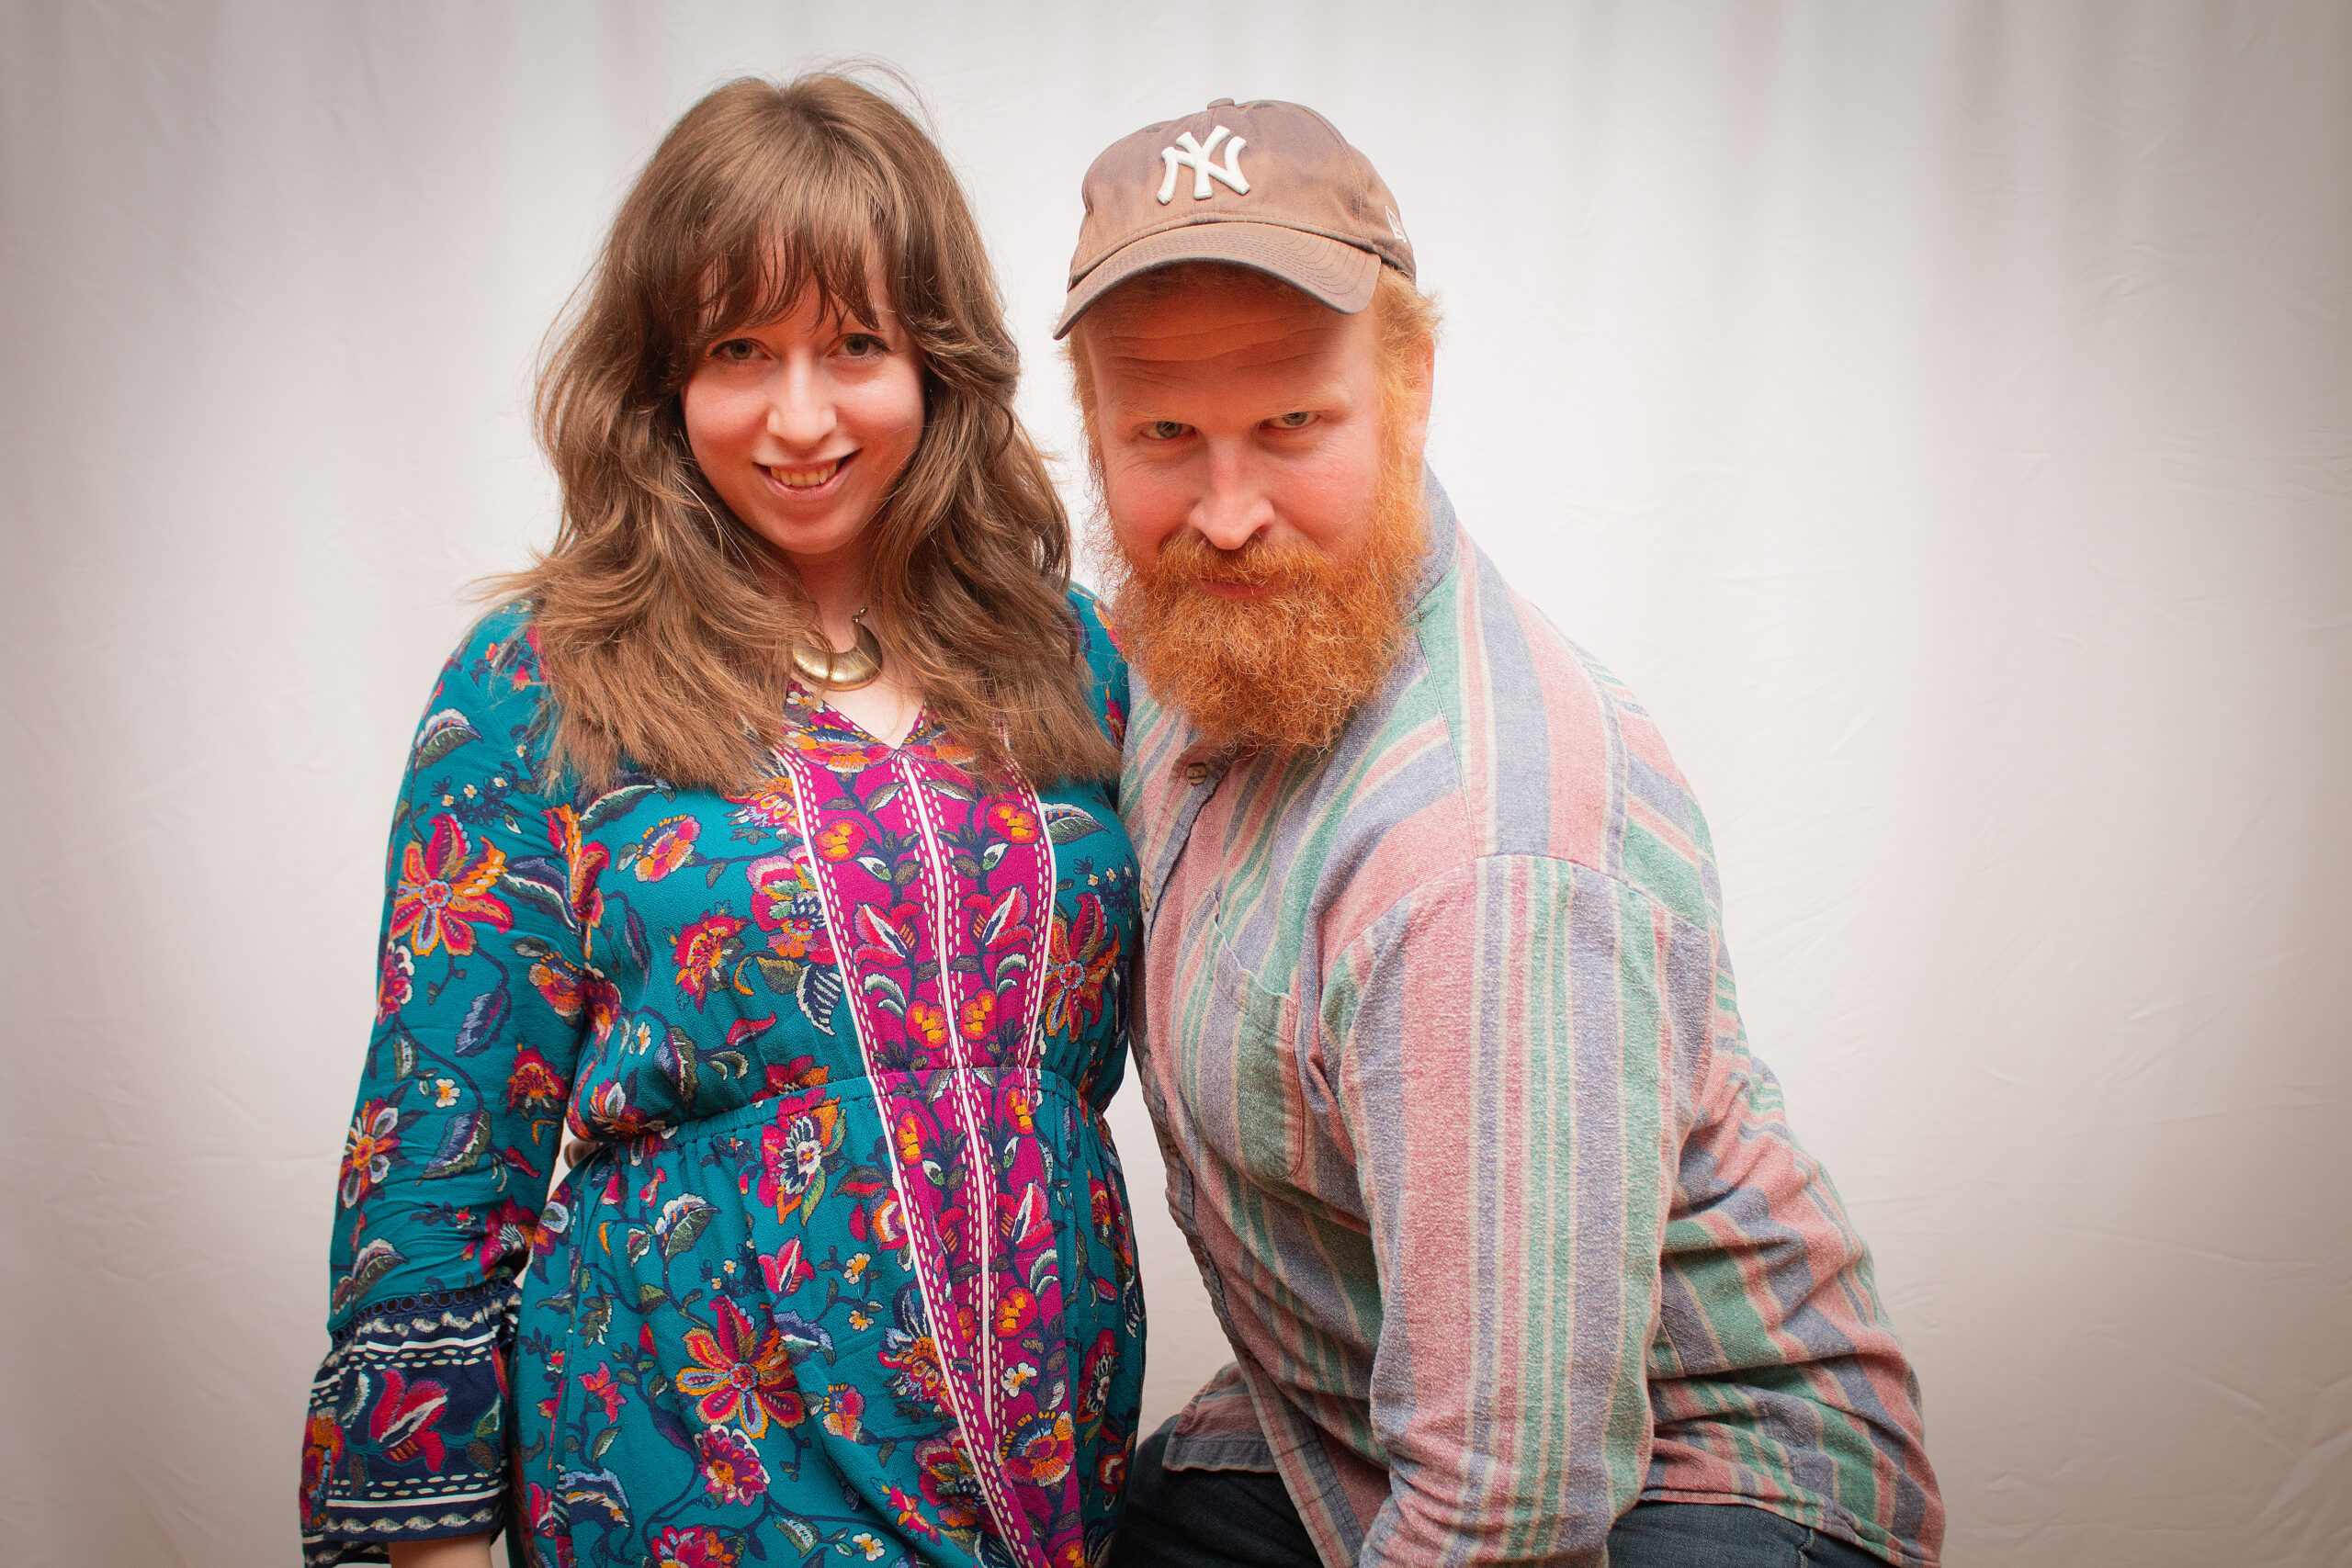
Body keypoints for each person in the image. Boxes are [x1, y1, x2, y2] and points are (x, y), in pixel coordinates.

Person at [1057, 99, 1945, 1566]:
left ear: (1409, 384)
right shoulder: (1198, 647)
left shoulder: (1479, 864)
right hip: (1342, 1420)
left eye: (1292, 424)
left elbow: (1510, 1507)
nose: (1225, 512)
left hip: (1694, 1483)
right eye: (1164, 433)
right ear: (1096, 431)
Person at [300, 74, 1145, 1568]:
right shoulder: (538, 684)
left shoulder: (1071, 658)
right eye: (739, 352)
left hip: (1052, 1483)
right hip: (687, 1483)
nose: (800, 416)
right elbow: (436, 1150)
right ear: (660, 378)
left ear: (937, 365)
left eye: (855, 346)